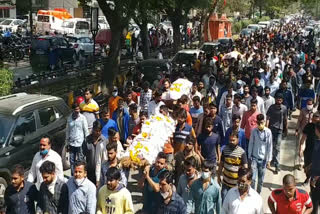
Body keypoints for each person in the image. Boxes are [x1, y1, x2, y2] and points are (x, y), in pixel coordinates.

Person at [217, 132, 248, 202]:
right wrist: (218, 176)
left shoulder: (242, 152)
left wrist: (244, 182)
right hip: (225, 183)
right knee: (224, 202)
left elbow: (245, 169)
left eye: (233, 140)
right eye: (230, 140)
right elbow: (221, 165)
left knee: (234, 203)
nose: (231, 142)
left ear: (238, 140)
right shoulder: (225, 150)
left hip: (236, 185)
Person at [248, 114, 273, 193]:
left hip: (263, 160)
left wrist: (269, 160)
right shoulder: (254, 131)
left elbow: (270, 146)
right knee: (253, 179)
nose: (260, 125)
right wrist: (249, 156)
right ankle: (252, 194)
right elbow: (251, 143)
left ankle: (258, 194)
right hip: (254, 158)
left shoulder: (268, 132)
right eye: (258, 123)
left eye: (262, 122)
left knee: (260, 180)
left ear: (264, 122)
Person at [266, 93, 288, 174]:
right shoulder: (271, 108)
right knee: (271, 146)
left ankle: (277, 165)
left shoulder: (284, 108)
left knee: (277, 147)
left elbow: (285, 120)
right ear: (275, 99)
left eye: (280, 99)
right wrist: (266, 128)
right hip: (271, 129)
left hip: (279, 130)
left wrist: (286, 129)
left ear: (282, 100)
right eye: (277, 98)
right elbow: (268, 118)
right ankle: (271, 160)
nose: (279, 100)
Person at [66, 103, 89, 175]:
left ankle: (81, 174)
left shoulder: (82, 118)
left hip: (80, 143)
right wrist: (67, 143)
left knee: (80, 160)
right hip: (72, 143)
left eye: (78, 109)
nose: (77, 111)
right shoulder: (69, 118)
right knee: (72, 160)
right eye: (75, 109)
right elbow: (67, 131)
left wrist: (87, 141)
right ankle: (73, 175)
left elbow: (86, 130)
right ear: (73, 110)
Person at [299, 112, 320, 184]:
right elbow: (303, 138)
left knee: (314, 167)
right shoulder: (308, 126)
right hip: (308, 151)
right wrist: (300, 148)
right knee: (306, 167)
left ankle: (312, 180)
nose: (315, 122)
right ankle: (308, 177)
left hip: (317, 152)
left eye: (316, 121)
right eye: (313, 120)